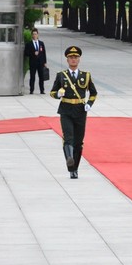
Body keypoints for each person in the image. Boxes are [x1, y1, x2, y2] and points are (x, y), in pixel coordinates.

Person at [49, 46, 98, 179]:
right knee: (68, 137)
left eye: (75, 57)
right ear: (67, 60)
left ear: (79, 59)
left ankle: (75, 168)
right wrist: (58, 94)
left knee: (78, 141)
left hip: (80, 111)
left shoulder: (86, 76)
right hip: (66, 109)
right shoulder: (61, 75)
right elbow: (52, 92)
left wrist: (89, 103)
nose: (73, 60)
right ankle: (70, 162)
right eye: (71, 57)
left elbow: (93, 93)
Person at [24, 28, 47, 94]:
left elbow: (44, 53)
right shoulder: (29, 44)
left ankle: (42, 90)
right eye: (33, 34)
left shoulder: (41, 43)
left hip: (40, 63)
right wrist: (33, 53)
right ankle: (31, 90)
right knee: (32, 77)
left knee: (41, 77)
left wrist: (45, 62)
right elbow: (26, 53)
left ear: (38, 35)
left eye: (36, 34)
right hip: (33, 63)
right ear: (32, 35)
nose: (34, 35)